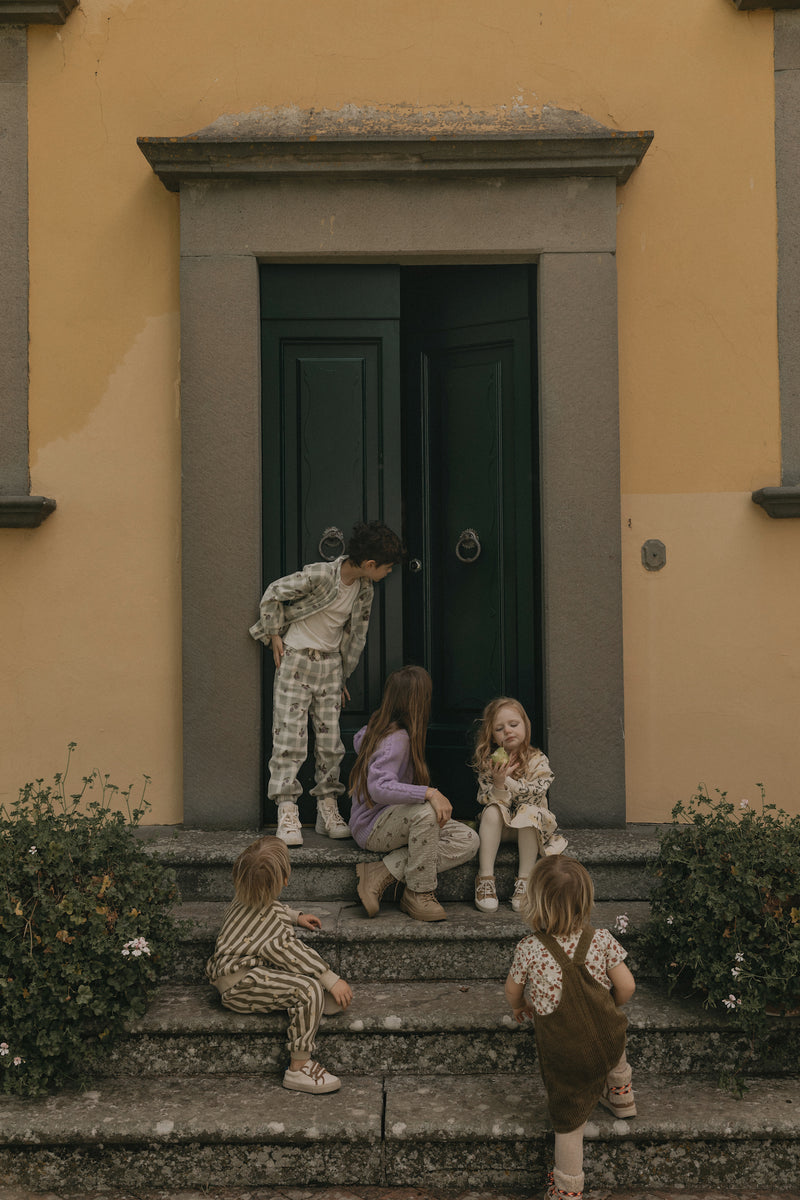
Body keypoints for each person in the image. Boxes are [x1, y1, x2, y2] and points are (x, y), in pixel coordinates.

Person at [250, 520, 404, 846]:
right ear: (370, 564)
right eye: (387, 567)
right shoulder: (321, 574)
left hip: (331, 667)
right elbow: (275, 592)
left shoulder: (364, 590)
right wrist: (274, 632)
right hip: (296, 660)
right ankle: (287, 809)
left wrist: (343, 673)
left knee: (330, 742)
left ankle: (327, 807)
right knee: (289, 738)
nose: (389, 573)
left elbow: (355, 636)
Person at [504, 856, 636, 1200]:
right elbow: (627, 987)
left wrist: (521, 1006)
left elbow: (512, 991)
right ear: (585, 902)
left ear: (534, 904)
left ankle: (567, 1188)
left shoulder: (529, 948)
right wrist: (611, 1006)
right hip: (607, 1040)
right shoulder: (602, 939)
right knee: (612, 1030)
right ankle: (621, 1093)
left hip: (566, 1054)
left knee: (569, 1124)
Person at [206, 835, 353, 1094]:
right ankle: (299, 1067)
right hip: (240, 985)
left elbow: (271, 907)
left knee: (301, 981)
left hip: (234, 972)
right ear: (285, 879)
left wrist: (295, 916)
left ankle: (318, 1000)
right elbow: (295, 954)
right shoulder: (274, 928)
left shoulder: (243, 896)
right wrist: (330, 978)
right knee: (308, 990)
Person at [348, 665, 479, 922]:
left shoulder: (385, 729)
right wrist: (429, 792)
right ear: (417, 703)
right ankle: (418, 893)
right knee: (426, 813)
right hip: (374, 826)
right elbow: (379, 787)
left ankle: (382, 872)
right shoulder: (396, 738)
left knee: (468, 840)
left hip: (395, 822)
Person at [472, 696, 567, 914]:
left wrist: (511, 782)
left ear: (525, 726)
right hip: (503, 829)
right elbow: (485, 798)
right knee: (492, 811)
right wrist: (498, 783)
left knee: (529, 812)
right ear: (493, 737)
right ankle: (485, 878)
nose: (507, 731)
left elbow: (537, 792)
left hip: (530, 830)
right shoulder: (492, 763)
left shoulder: (537, 759)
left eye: (513, 725)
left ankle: (525, 881)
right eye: (499, 728)